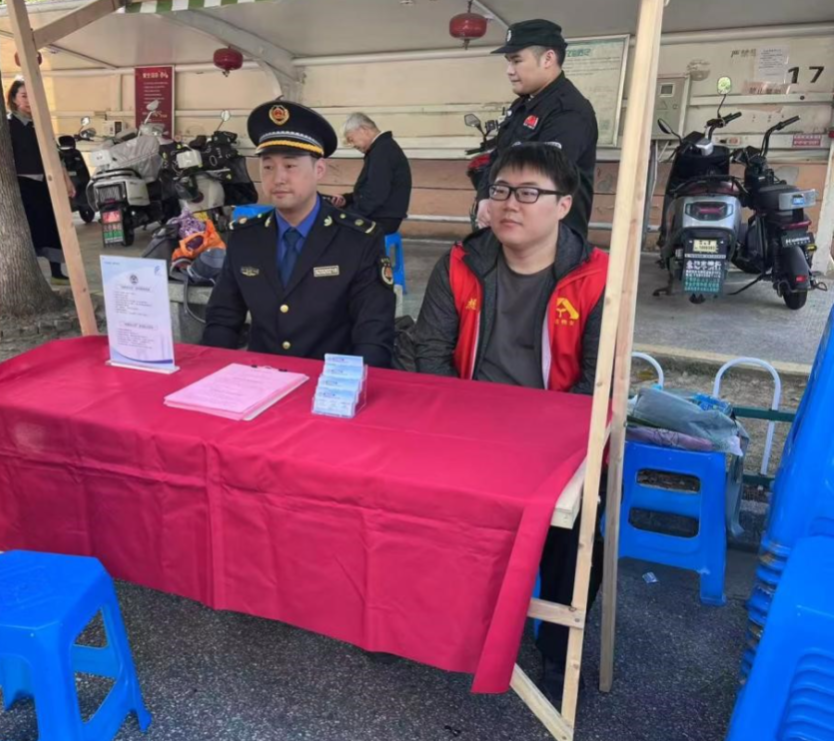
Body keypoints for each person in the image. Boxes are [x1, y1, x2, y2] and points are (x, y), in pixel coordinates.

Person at [412, 143, 608, 706]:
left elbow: (597, 383)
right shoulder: (461, 263)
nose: (509, 204)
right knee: (412, 504)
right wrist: (461, 432)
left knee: (575, 537)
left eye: (528, 193)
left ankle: (556, 646)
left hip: (556, 443)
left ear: (563, 205)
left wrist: (537, 446)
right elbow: (430, 353)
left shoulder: (598, 277)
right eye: (499, 191)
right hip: (466, 430)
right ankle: (420, 619)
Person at [203, 101, 396, 367]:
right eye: (268, 167)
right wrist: (212, 375)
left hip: (331, 381)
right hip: (262, 379)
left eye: (290, 166)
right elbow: (222, 319)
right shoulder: (246, 237)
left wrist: (349, 386)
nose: (278, 178)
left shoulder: (358, 240)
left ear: (319, 170)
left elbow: (373, 334)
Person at [474, 19, 598, 238]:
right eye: (508, 62)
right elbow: (498, 157)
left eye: (517, 61)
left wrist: (497, 203)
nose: (509, 71)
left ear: (548, 59)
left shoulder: (568, 111)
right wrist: (485, 197)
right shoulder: (523, 105)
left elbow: (542, 177)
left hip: (550, 241)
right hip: (514, 232)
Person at [6, 78, 75, 284]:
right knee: (29, 230)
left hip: (46, 182)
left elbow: (56, 155)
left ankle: (56, 272)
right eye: (24, 96)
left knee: (52, 226)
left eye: (32, 96)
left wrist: (66, 180)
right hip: (22, 184)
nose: (29, 101)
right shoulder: (8, 124)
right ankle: (31, 276)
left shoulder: (41, 123)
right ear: (14, 99)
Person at [328, 113, 412, 235]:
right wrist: (346, 199)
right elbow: (373, 189)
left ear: (363, 130)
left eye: (351, 139)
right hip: (382, 215)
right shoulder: (383, 148)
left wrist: (350, 213)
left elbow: (375, 194)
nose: (352, 145)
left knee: (328, 224)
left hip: (381, 218)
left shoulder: (382, 151)